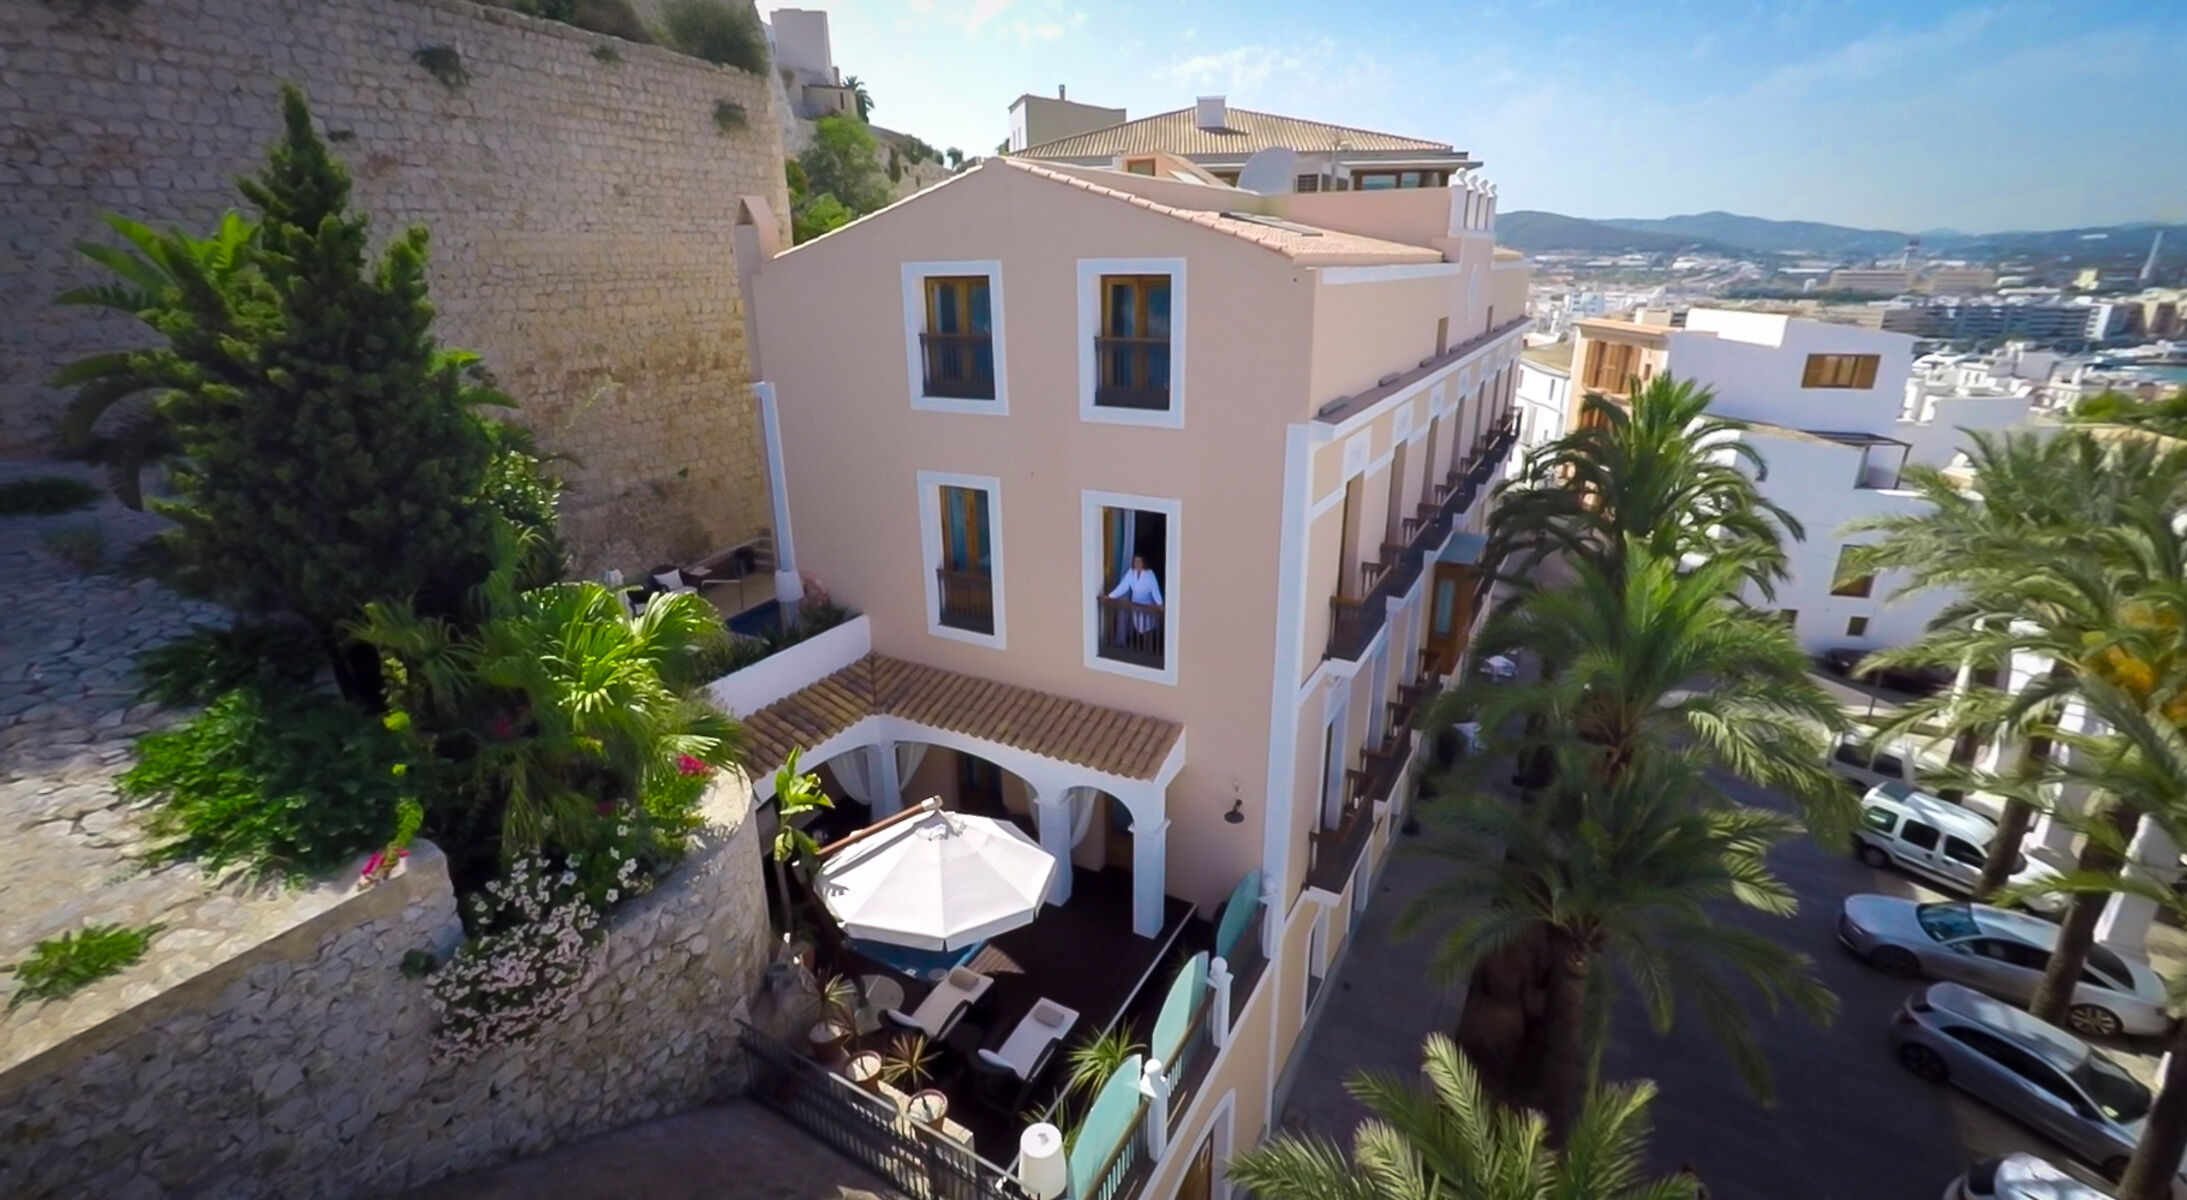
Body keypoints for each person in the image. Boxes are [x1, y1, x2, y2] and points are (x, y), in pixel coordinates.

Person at [1106, 555, 1164, 638]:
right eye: (1136, 561)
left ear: (1143, 562)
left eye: (1139, 561)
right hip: (1135, 604)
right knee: (1138, 627)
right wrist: (1111, 596)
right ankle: (1140, 644)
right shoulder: (1131, 573)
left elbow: (1155, 589)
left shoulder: (1149, 574)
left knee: (1147, 627)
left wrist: (1159, 603)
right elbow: (1123, 586)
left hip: (1147, 605)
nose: (1137, 563)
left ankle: (1148, 645)